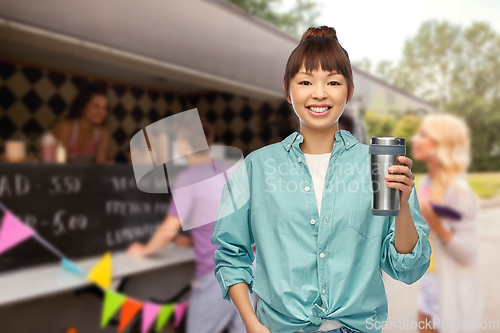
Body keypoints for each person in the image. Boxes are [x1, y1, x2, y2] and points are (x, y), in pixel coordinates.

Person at [211, 26, 431, 333]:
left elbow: (407, 269)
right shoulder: (256, 167)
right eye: (305, 81)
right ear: (288, 90)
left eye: (333, 82)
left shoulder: (378, 165)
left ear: (349, 91)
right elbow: (230, 254)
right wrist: (251, 323)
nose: (319, 93)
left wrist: (403, 206)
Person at [126, 118, 258, 333]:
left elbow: (168, 231)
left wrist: (144, 250)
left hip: (219, 276)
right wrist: (193, 240)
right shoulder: (232, 170)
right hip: (251, 269)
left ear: (183, 145)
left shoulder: (188, 178)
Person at [411, 114, 483, 333]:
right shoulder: (426, 183)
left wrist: (436, 224)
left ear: (441, 144)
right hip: (429, 279)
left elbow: (468, 252)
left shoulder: (458, 191)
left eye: (423, 135)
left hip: (450, 285)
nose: (415, 139)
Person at [52, 83, 111, 164]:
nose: (102, 112)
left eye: (105, 108)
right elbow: (61, 162)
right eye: (96, 106)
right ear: (82, 107)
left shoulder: (103, 132)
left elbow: (101, 164)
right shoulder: (65, 127)